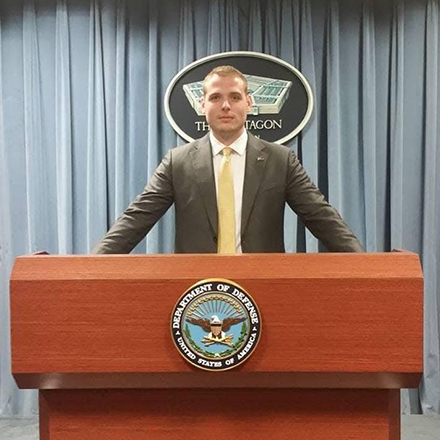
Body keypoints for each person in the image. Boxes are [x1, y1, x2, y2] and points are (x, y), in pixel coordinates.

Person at [92, 66, 364, 254]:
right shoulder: (178, 162)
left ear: (248, 102)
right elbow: (136, 219)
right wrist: (88, 268)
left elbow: (321, 217)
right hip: (196, 292)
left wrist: (368, 267)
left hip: (263, 286)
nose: (225, 106)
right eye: (215, 97)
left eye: (234, 97)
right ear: (202, 105)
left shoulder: (281, 160)